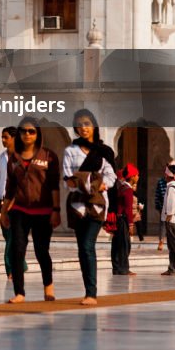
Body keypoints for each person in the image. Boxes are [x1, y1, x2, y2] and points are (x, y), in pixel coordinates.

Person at [0, 119, 60, 303]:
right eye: (24, 131)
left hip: (42, 211)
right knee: (17, 250)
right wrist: (3, 212)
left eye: (31, 131)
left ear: (37, 134)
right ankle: (19, 293)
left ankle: (48, 286)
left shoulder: (48, 156)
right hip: (20, 210)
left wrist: (56, 210)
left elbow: (54, 186)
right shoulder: (14, 158)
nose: (27, 134)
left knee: (41, 250)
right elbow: (10, 188)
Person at [62, 109, 116, 306]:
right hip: (77, 204)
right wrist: (85, 183)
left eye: (87, 123)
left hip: (97, 205)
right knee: (82, 249)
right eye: (79, 124)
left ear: (94, 125)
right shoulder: (71, 151)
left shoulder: (103, 152)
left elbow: (111, 175)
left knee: (87, 246)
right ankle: (88, 290)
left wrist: (100, 185)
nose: (83, 127)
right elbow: (67, 179)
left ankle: (92, 293)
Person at [0, 126, 18, 278]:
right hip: (3, 202)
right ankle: (21, 264)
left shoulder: (21, 158)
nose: (2, 140)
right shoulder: (2, 158)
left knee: (12, 238)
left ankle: (10, 270)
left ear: (14, 138)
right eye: (2, 137)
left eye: (5, 137)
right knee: (8, 237)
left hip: (16, 203)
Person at [112, 164, 139, 276]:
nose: (138, 177)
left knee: (117, 244)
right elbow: (128, 209)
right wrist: (131, 224)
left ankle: (117, 267)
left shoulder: (121, 187)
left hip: (118, 218)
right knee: (124, 244)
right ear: (132, 176)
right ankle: (124, 269)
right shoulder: (128, 189)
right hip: (123, 219)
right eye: (137, 175)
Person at [154, 172, 168, 251]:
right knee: (163, 224)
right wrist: (159, 207)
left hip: (172, 207)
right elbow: (157, 195)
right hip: (163, 206)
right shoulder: (161, 182)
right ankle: (161, 241)